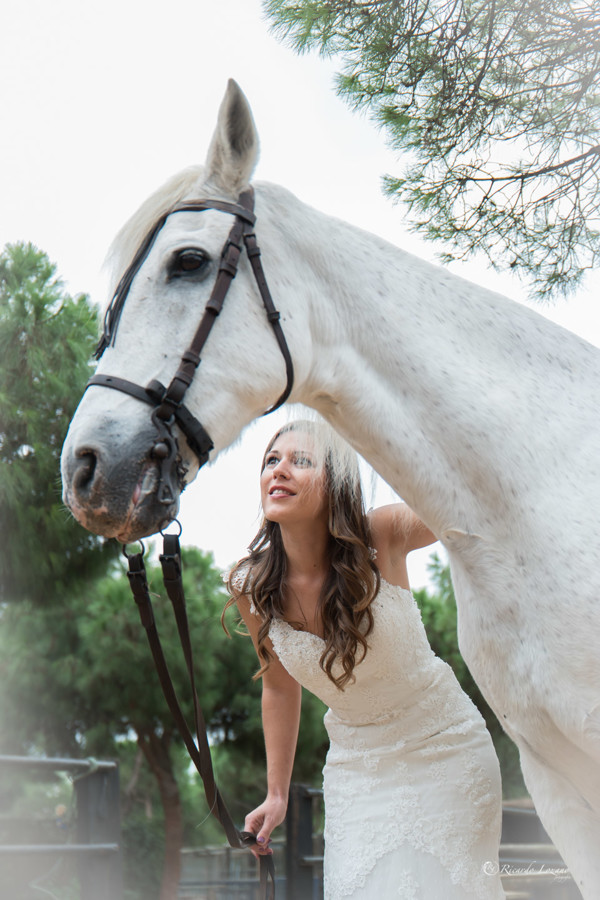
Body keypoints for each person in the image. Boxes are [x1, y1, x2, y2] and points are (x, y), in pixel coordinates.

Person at [225, 419, 505, 899]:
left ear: (337, 482)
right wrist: (276, 794)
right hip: (358, 769)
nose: (281, 470)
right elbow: (278, 686)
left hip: (446, 750)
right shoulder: (252, 588)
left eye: (301, 461)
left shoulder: (384, 533)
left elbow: (459, 504)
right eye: (272, 460)